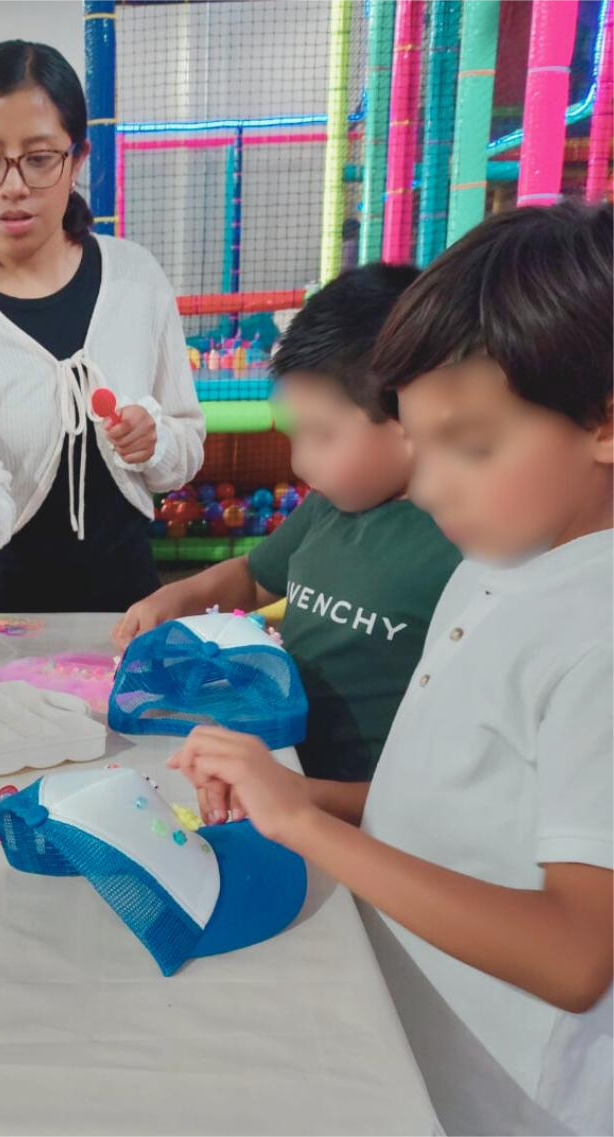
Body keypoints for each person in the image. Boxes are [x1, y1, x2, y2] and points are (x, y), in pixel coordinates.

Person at [169, 203, 614, 1137]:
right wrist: (301, 795)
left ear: (603, 421)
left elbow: (574, 954)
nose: (428, 483)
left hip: (513, 1087)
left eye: (472, 444)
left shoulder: (594, 635)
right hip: (414, 1026)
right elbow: (450, 808)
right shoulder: (496, 566)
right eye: (421, 442)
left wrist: (300, 820)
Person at [114, 265, 460, 785]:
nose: (300, 464)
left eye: (323, 435)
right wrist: (173, 600)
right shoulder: (330, 508)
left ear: (416, 417)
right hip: (284, 764)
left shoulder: (461, 543)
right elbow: (254, 576)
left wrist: (300, 800)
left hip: (363, 805)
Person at [0, 41, 204, 612]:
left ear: (77, 158)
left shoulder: (136, 279)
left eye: (39, 158)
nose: (12, 186)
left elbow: (184, 447)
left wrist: (154, 440)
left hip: (129, 609)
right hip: (0, 615)